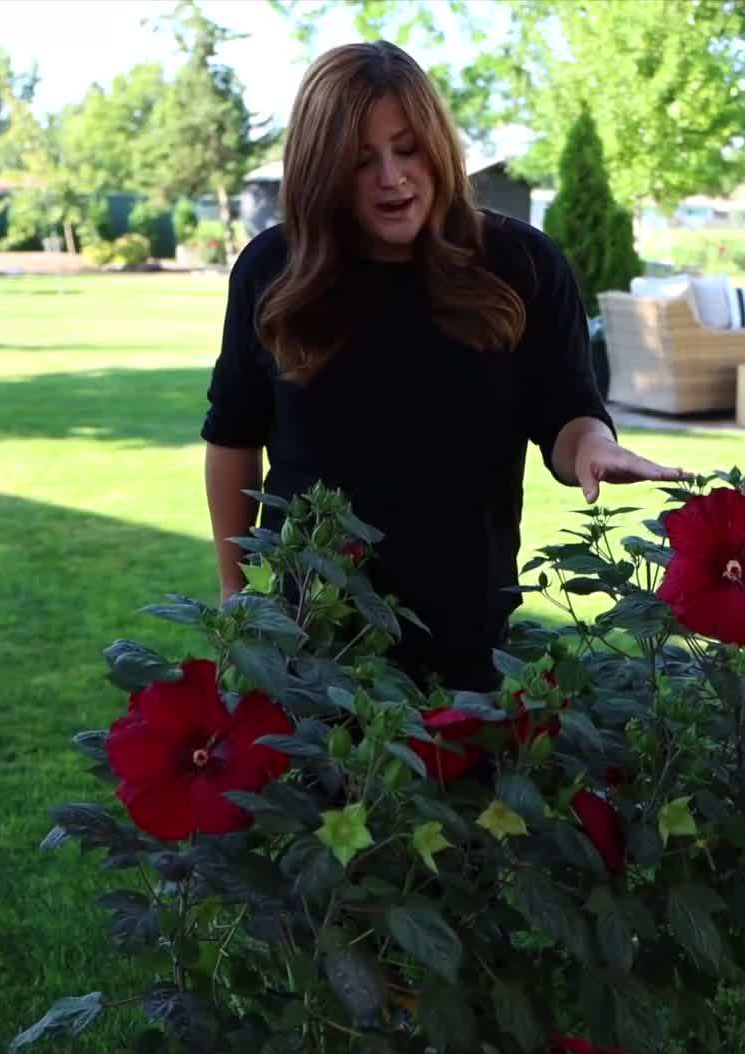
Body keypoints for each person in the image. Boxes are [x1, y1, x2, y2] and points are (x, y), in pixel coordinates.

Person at [201, 41, 684, 692]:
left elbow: (568, 413)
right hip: (310, 638)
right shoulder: (274, 269)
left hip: (468, 633)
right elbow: (233, 436)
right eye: (360, 160)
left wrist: (594, 447)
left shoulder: (521, 266)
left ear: (439, 145)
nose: (391, 178)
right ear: (321, 169)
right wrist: (235, 593)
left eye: (408, 149)